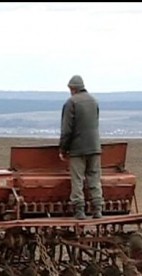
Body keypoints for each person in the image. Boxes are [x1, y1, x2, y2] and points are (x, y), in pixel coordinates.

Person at [58, 75, 103, 220]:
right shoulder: (94, 101)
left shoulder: (71, 103)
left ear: (72, 88)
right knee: (94, 178)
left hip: (77, 149)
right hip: (94, 147)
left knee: (77, 180)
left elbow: (67, 130)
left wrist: (63, 149)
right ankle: (97, 209)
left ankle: (79, 210)